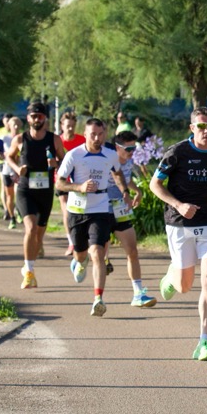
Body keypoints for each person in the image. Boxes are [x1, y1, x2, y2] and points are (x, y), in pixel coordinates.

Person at [149, 106, 207, 361]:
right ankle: (172, 275)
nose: (206, 131)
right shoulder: (177, 152)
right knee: (184, 286)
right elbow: (155, 184)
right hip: (180, 224)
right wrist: (179, 205)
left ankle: (204, 341)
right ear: (192, 128)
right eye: (201, 126)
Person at [56, 117, 132, 318]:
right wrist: (79, 187)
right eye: (92, 135)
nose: (97, 138)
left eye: (100, 134)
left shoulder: (110, 154)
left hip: (100, 208)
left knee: (97, 253)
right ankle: (79, 262)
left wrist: (125, 191)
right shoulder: (74, 155)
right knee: (81, 254)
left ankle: (98, 299)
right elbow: (60, 183)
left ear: (105, 134)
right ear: (85, 135)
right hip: (77, 210)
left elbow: (117, 174)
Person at [6, 102, 65, 289]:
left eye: (40, 116)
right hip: (25, 190)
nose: (36, 119)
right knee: (30, 228)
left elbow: (65, 160)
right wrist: (17, 169)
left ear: (44, 118)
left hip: (45, 191)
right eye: (33, 116)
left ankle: (28, 265)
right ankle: (29, 272)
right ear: (28, 118)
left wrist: (56, 164)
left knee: (38, 237)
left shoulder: (54, 139)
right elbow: (9, 156)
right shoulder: (20, 139)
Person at [105, 129, 157, 308]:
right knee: (98, 252)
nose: (131, 152)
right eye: (128, 149)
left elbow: (126, 179)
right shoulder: (106, 160)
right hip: (101, 210)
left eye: (133, 149)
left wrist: (137, 191)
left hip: (121, 210)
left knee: (132, 251)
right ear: (117, 148)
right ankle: (83, 259)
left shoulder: (128, 162)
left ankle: (138, 293)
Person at [57, 110, 87, 257]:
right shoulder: (58, 141)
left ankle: (82, 239)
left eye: (72, 126)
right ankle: (71, 242)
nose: (70, 128)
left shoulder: (81, 140)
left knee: (80, 210)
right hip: (62, 180)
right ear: (62, 126)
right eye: (67, 126)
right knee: (66, 211)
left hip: (79, 181)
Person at [1, 115, 21, 229]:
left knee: (18, 192)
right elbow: (2, 152)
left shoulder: (23, 138)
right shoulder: (5, 139)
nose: (16, 127)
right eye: (14, 124)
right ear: (9, 126)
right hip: (7, 170)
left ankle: (19, 212)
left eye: (18, 124)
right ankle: (12, 217)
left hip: (19, 170)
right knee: (9, 196)